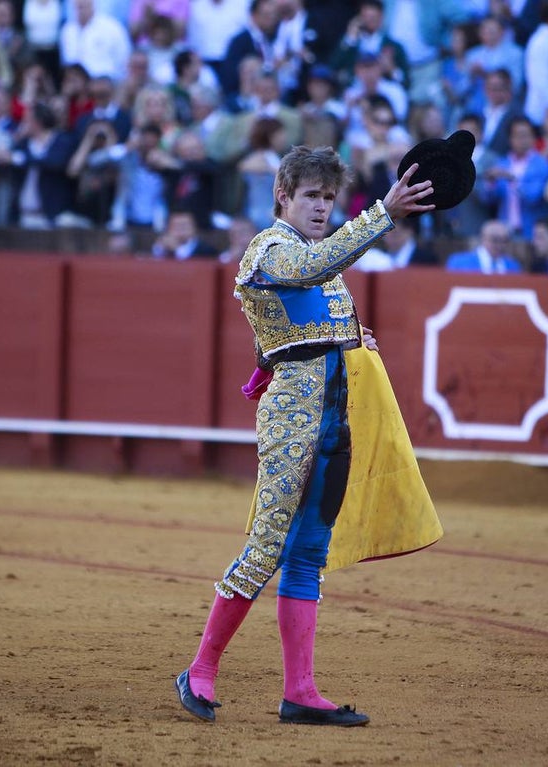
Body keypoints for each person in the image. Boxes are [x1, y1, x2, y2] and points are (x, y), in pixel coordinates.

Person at [174, 145, 441, 727]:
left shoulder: (323, 261)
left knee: (307, 555)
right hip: (294, 421)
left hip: (337, 418)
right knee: (267, 544)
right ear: (283, 198)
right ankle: (200, 669)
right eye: (311, 197)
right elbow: (304, 274)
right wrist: (383, 213)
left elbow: (293, 325)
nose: (322, 208)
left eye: (328, 197)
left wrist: (353, 340)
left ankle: (301, 691)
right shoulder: (270, 248)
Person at [445, 219, 522, 273]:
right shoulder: (459, 262)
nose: (500, 245)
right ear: (483, 238)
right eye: (495, 240)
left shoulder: (513, 266)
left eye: (504, 241)